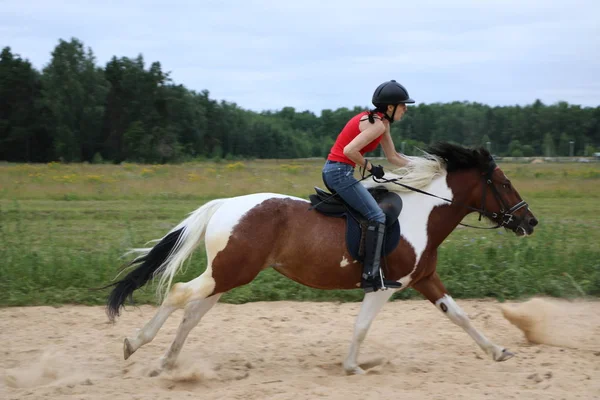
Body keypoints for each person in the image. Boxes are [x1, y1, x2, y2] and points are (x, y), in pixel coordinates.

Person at [322, 80, 414, 293]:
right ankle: (369, 276)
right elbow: (349, 151)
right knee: (377, 215)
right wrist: (371, 167)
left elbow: (393, 157)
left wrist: (424, 167)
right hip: (338, 173)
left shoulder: (382, 124)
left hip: (339, 171)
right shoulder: (377, 124)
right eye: (403, 105)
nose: (406, 109)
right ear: (390, 107)